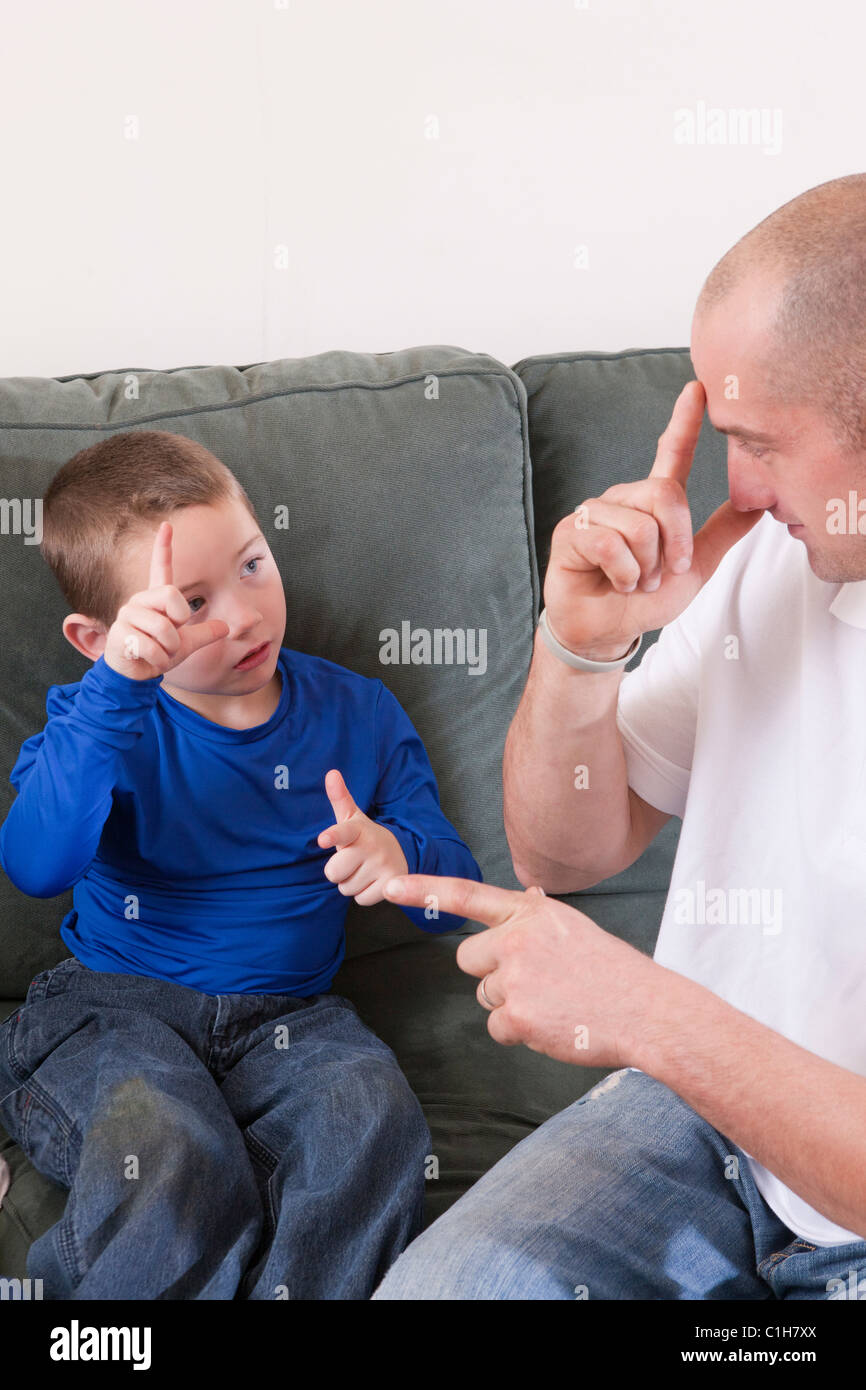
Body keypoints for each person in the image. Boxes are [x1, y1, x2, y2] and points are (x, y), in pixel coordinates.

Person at [372, 172, 866, 1300]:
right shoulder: (770, 559)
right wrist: (579, 645)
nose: (730, 482)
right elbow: (564, 852)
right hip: (701, 1124)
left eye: (760, 439)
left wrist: (641, 1009)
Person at [0, 430, 482, 1299]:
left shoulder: (360, 712)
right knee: (172, 1146)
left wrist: (397, 857)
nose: (242, 615)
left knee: (368, 1118)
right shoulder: (98, 717)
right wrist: (115, 692)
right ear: (98, 637)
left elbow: (455, 898)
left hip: (292, 1022)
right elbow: (36, 863)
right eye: (190, 603)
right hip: (117, 1005)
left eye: (254, 565)